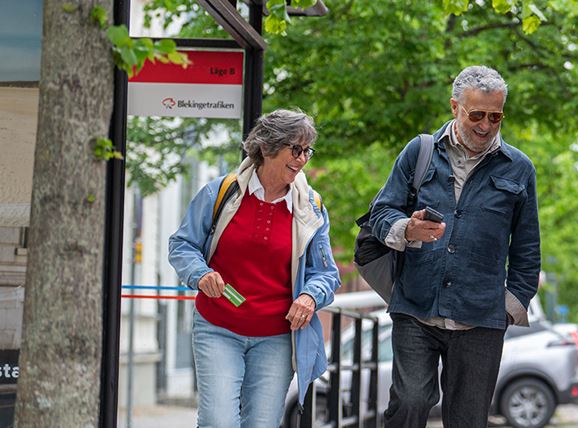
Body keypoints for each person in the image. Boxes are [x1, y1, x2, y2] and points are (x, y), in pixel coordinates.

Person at [367, 65, 541, 427]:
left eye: (496, 116)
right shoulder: (420, 151)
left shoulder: (519, 168)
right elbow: (380, 212)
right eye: (476, 114)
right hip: (417, 306)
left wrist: (511, 306)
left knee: (468, 419)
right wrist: (407, 229)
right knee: (411, 401)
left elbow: (527, 249)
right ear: (454, 107)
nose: (486, 125)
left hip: (481, 319)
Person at [168, 109, 341, 427]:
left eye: (307, 151)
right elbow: (182, 245)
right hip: (218, 327)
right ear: (267, 147)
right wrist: (201, 274)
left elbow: (327, 273)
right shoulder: (220, 193)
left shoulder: (310, 208)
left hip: (275, 337)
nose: (302, 159)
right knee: (218, 422)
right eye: (295, 149)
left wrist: (310, 297)